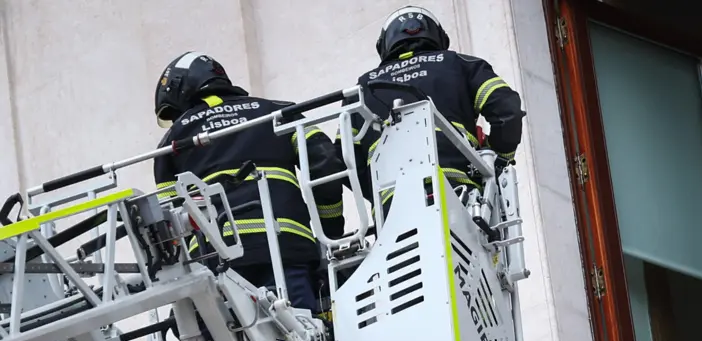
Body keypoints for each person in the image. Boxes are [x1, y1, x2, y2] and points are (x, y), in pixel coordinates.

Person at [153, 52, 346, 313]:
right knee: (303, 327)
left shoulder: (172, 142)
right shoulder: (277, 111)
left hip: (215, 263)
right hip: (285, 248)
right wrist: (330, 233)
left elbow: (167, 224)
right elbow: (326, 165)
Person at [345, 6, 525, 214]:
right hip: (459, 195)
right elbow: (507, 111)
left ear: (384, 45)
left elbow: (345, 160)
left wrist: (379, 195)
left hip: (393, 208)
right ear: (438, 37)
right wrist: (498, 160)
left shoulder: (361, 88)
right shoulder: (460, 64)